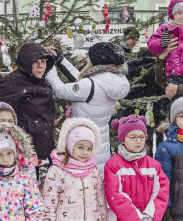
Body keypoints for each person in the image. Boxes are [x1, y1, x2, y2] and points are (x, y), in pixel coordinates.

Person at [46, 41, 130, 175]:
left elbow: (60, 89)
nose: (87, 58)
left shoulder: (90, 85)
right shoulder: (111, 80)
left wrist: (49, 66)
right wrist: (59, 59)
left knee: (85, 185)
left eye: (89, 56)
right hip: (100, 144)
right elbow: (80, 80)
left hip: (83, 146)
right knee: (97, 181)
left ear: (97, 60)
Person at [0, 43, 55, 165]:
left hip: (42, 143)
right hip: (21, 149)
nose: (40, 66)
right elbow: (0, 118)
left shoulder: (42, 82)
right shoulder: (11, 84)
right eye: (36, 62)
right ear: (27, 62)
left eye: (43, 61)